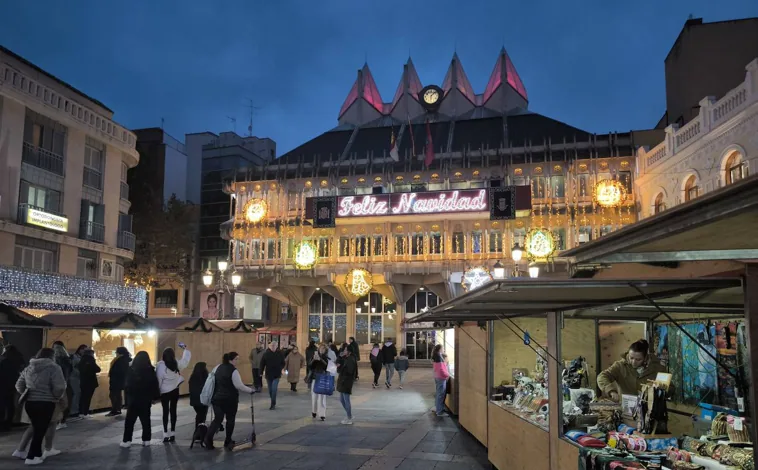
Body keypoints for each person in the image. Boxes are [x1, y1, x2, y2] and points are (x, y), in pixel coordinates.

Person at [14, 347, 66, 465]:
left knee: (37, 429)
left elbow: (18, 385)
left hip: (30, 403)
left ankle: (31, 454)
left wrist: (27, 392)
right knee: (40, 430)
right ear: (52, 356)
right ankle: (32, 457)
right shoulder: (54, 368)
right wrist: (56, 396)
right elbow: (60, 387)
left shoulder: (29, 367)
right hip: (46, 403)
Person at [204, 352, 254, 451]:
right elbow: (239, 385)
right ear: (230, 360)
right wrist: (251, 390)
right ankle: (228, 441)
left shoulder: (217, 367)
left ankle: (208, 439)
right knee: (230, 420)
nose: (237, 361)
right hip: (230, 399)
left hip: (217, 398)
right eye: (236, 359)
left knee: (217, 419)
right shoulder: (233, 371)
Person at [597, 339, 670, 401]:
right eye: (631, 358)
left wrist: (662, 389)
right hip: (627, 410)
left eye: (638, 359)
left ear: (645, 358)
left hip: (650, 412)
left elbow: (671, 389)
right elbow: (602, 376)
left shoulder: (658, 368)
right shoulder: (620, 366)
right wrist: (611, 391)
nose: (633, 362)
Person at [120, 351, 160, 448]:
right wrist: (154, 397)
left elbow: (127, 385)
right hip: (145, 400)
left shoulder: (131, 369)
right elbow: (155, 385)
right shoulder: (150, 370)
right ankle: (146, 440)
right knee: (146, 421)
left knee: (130, 421)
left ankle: (127, 441)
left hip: (133, 399)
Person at [157, 344, 192, 442]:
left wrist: (158, 392)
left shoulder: (160, 365)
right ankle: (172, 433)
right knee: (173, 411)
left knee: (165, 412)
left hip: (164, 392)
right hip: (175, 391)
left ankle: (165, 433)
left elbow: (159, 381)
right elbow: (185, 360)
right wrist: (185, 348)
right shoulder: (176, 363)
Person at [0, 344, 24, 431]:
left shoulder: (4, 361)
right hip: (13, 384)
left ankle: (2, 422)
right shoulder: (19, 358)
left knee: (2, 405)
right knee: (10, 404)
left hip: (3, 385)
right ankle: (8, 422)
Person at [52, 342, 73, 429]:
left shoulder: (54, 362)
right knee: (65, 403)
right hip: (66, 384)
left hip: (58, 384)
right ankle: (62, 420)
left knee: (57, 403)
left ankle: (57, 421)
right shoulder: (68, 360)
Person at [260, 342, 285, 410]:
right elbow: (262, 363)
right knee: (270, 390)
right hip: (268, 374)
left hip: (276, 374)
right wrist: (261, 372)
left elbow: (283, 363)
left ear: (277, 346)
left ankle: (272, 403)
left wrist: (280, 368)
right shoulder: (266, 354)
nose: (273, 347)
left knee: (274, 389)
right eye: (272, 345)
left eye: (274, 345)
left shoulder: (280, 354)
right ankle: (273, 399)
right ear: (269, 346)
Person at [107, 347, 131, 416]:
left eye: (116, 352)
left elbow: (121, 370)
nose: (116, 353)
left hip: (117, 380)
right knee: (117, 395)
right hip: (119, 380)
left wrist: (114, 374)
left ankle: (115, 409)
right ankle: (117, 409)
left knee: (113, 395)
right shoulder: (124, 359)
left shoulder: (121, 360)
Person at [336, 347, 357, 425]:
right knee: (342, 399)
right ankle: (349, 415)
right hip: (342, 380)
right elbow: (338, 363)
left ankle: (349, 417)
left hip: (346, 381)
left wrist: (341, 368)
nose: (344, 351)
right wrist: (339, 357)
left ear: (349, 352)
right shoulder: (345, 358)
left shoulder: (351, 359)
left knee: (346, 399)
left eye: (345, 350)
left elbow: (350, 371)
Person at [77, 348, 100, 418]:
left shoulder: (81, 360)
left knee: (82, 397)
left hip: (83, 381)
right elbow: (98, 369)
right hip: (90, 381)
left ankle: (81, 412)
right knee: (88, 398)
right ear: (91, 354)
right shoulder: (91, 359)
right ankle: (85, 413)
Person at [309, 344, 329, 421]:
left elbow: (327, 366)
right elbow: (310, 366)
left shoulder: (326, 357)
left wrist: (320, 359)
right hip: (315, 378)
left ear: (325, 350)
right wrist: (314, 359)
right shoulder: (314, 356)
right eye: (320, 348)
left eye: (323, 349)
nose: (321, 350)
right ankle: (314, 411)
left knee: (322, 397)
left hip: (322, 378)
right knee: (314, 396)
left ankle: (322, 414)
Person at [68, 345, 87, 419]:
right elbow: (74, 368)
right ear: (80, 349)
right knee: (76, 394)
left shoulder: (80, 357)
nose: (84, 352)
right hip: (74, 378)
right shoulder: (75, 357)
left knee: (77, 394)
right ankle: (73, 411)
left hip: (78, 378)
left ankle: (75, 410)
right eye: (83, 350)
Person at [188, 362, 209, 428]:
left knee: (199, 415)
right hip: (203, 400)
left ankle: (198, 429)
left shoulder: (192, 377)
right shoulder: (205, 378)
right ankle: (199, 431)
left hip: (194, 401)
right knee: (202, 416)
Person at [432, 344, 450, 417]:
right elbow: (441, 369)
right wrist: (447, 375)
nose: (444, 349)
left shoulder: (436, 356)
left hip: (437, 376)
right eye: (443, 348)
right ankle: (439, 412)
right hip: (441, 378)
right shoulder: (439, 357)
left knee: (438, 393)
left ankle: (438, 408)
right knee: (440, 394)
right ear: (440, 349)